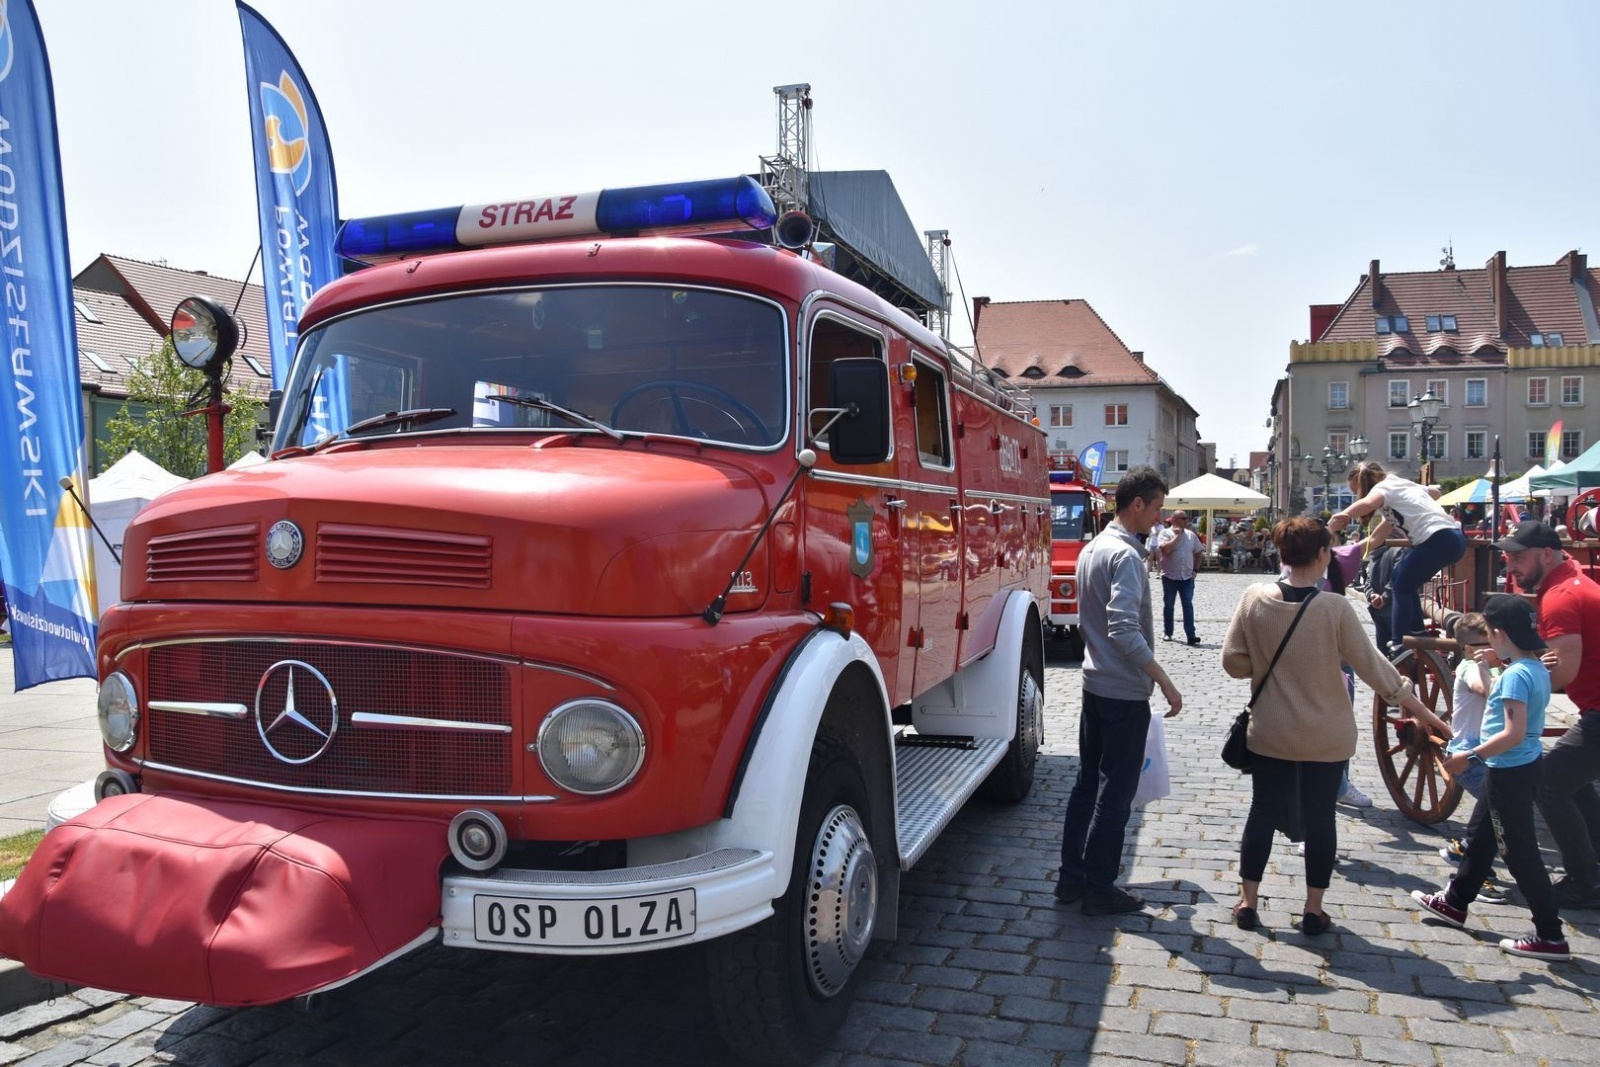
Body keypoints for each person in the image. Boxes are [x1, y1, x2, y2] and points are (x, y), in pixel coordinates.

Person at [1223, 516, 1450, 936]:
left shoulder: (1253, 598)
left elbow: (1233, 663)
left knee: (1262, 812)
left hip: (1270, 731)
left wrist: (1269, 664)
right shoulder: (1334, 608)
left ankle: (1248, 902)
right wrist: (1426, 713)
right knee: (1320, 818)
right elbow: (1375, 669)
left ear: (1281, 553)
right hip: (1326, 736)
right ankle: (1313, 910)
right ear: (1323, 555)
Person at [1411, 594, 1569, 961]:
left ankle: (1550, 935)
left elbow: (1513, 733)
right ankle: (1455, 901)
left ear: (1498, 634)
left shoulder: (1515, 676)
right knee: (1481, 837)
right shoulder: (1534, 669)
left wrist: (1469, 757)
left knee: (1519, 854)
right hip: (1517, 767)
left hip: (1508, 769)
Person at [1058, 467, 1183, 916]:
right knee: (1115, 794)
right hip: (1122, 691)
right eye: (1157, 508)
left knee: (1087, 785)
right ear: (1137, 504)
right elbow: (1124, 629)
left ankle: (1071, 878)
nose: (1159, 518)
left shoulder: (1093, 548)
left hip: (1094, 684)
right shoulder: (1126, 556)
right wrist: (1163, 679)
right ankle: (1099, 887)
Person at [1497, 521, 1600, 910]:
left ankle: (1585, 883)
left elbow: (1564, 673)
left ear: (1546, 554)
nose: (1510, 568)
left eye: (1518, 558)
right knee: (1573, 781)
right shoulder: (1573, 579)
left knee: (1549, 784)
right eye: (1508, 559)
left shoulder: (1559, 597)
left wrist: (1515, 687)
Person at [1328, 461, 1467, 654]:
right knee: (1405, 581)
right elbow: (1376, 538)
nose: (1358, 496)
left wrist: (1342, 515)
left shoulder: (1385, 487)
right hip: (1455, 538)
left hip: (1437, 538)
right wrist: (1346, 553)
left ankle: (1400, 639)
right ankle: (1417, 631)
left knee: (1400, 583)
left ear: (1365, 486)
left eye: (1356, 492)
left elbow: (1367, 504)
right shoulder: (1400, 491)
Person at [1438, 613, 1509, 902]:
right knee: (1497, 811)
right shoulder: (1469, 668)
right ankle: (1473, 870)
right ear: (1469, 649)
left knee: (1496, 811)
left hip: (1486, 755)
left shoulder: (1493, 668)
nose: (1495, 648)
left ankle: (1464, 851)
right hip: (1467, 757)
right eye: (1487, 643)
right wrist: (1485, 665)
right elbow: (1485, 690)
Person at [1155, 511, 1204, 645]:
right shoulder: (1165, 533)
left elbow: (1199, 552)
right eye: (1183, 518)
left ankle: (1191, 635)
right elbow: (1166, 550)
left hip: (1187, 577)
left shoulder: (1191, 535)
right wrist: (1177, 536)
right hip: (1170, 577)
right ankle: (1168, 632)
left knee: (1188, 605)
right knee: (1169, 605)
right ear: (1174, 520)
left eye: (1187, 518)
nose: (1186, 521)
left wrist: (1195, 570)